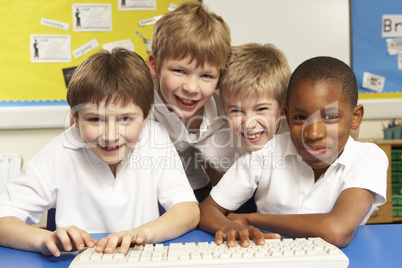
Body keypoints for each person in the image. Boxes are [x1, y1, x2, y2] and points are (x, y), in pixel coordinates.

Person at [0, 48, 199, 257]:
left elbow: (188, 210)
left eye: (125, 119)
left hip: (140, 260)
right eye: (95, 119)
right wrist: (43, 239)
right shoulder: (60, 151)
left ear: (146, 116)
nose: (110, 136)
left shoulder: (155, 137)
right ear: (75, 118)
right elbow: (3, 218)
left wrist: (143, 234)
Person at [199, 56, 388, 248]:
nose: (313, 133)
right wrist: (229, 225)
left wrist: (251, 219)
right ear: (287, 115)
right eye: (299, 117)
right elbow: (207, 210)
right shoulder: (265, 154)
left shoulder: (368, 157)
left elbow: (337, 230)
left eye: (330, 117)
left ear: (355, 117)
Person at [148, 1, 243, 202]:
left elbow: (225, 173)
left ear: (220, 79)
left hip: (195, 189)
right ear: (154, 66)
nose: (191, 87)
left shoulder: (223, 111)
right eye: (179, 71)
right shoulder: (138, 100)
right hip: (145, 193)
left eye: (206, 76)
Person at [219, 43, 291, 153]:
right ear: (224, 109)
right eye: (236, 111)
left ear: (283, 107)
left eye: (261, 109)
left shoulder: (296, 139)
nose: (249, 124)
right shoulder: (219, 143)